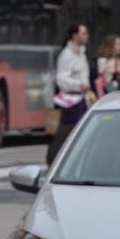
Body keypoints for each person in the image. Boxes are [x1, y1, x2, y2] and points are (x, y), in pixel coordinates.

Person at [47, 23, 91, 165]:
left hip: (81, 99)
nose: (86, 36)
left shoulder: (81, 53)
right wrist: (79, 85)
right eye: (83, 33)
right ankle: (54, 160)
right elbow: (61, 79)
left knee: (80, 133)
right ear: (74, 35)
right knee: (66, 133)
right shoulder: (67, 55)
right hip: (70, 100)